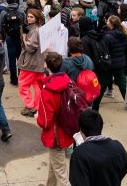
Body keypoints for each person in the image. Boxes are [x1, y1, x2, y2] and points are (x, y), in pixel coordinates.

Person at [37, 51, 73, 186]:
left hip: (55, 134)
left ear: (46, 65)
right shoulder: (68, 81)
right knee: (55, 164)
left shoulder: (48, 91)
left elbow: (46, 122)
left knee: (61, 172)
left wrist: (38, 118)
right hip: (66, 129)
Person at [69, 109, 127, 186]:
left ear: (81, 130)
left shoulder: (79, 154)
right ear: (100, 126)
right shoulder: (118, 146)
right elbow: (125, 167)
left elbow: (78, 182)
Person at [97, 15, 127, 112]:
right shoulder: (124, 35)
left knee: (102, 84)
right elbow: (126, 50)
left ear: (111, 23)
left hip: (109, 65)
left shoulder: (107, 37)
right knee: (123, 84)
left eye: (107, 21)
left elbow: (104, 51)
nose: (106, 22)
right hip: (120, 64)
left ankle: (96, 103)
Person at [17, 8, 45, 117]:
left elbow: (31, 47)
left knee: (23, 84)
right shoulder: (40, 29)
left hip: (30, 64)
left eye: (31, 17)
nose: (28, 18)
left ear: (37, 18)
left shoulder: (34, 30)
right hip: (39, 63)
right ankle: (37, 106)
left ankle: (30, 106)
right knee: (38, 85)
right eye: (28, 16)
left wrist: (24, 38)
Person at [0, 0, 24, 86]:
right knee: (20, 59)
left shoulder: (4, 12)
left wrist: (2, 37)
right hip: (20, 37)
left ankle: (13, 79)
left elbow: (1, 26)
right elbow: (24, 22)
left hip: (9, 37)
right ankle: (21, 78)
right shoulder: (20, 10)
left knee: (11, 59)